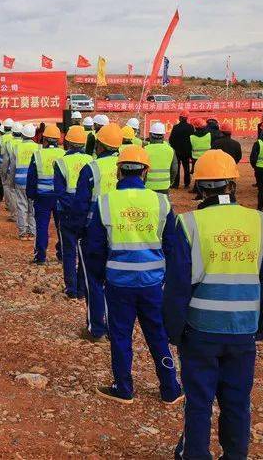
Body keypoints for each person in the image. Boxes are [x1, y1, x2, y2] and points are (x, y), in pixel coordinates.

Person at [163, 150, 263, 460]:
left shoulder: (188, 223)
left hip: (200, 329)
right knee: (238, 401)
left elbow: (176, 285)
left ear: (200, 186)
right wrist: (261, 326)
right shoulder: (259, 222)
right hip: (243, 329)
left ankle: (196, 454)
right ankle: (235, 454)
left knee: (199, 400)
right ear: (232, 185)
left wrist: (172, 331)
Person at [83, 145, 183, 404]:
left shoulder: (106, 202)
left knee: (120, 335)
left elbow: (94, 247)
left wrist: (98, 276)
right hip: (152, 282)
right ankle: (170, 387)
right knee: (157, 334)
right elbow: (172, 245)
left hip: (118, 282)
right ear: (145, 171)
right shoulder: (161, 202)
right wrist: (166, 278)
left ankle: (124, 387)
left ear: (119, 171)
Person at [74, 123, 123, 341]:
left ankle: (97, 327)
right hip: (121, 231)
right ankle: (115, 328)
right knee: (114, 280)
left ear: (100, 145)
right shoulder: (127, 165)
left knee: (93, 280)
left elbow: (81, 204)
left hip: (94, 231)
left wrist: (77, 230)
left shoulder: (92, 169)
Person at [53, 126, 93, 299]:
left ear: (67, 142)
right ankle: (83, 289)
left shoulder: (61, 162)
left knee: (69, 251)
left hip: (67, 213)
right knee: (85, 251)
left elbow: (60, 192)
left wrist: (72, 209)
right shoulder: (92, 160)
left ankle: (71, 288)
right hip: (86, 213)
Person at [27, 124, 64, 264]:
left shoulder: (38, 155)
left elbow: (32, 177)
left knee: (42, 226)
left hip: (42, 197)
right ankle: (62, 254)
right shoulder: (64, 154)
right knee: (61, 226)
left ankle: (40, 256)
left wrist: (30, 194)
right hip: (60, 197)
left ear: (45, 140)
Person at [6, 124, 39, 241]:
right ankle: (33, 231)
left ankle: (23, 232)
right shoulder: (38, 148)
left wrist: (11, 181)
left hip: (20, 180)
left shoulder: (16, 147)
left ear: (22, 134)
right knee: (32, 207)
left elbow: (13, 166)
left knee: (21, 206)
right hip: (34, 182)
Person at [0, 122, 24, 222]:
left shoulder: (8, 144)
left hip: (11, 172)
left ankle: (15, 215)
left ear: (12, 132)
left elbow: (5, 161)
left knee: (12, 192)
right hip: (25, 174)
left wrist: (3, 173)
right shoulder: (31, 145)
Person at [144, 122, 176, 194]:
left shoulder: (145, 149)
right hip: (164, 186)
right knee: (163, 204)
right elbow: (174, 169)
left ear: (150, 135)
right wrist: (170, 182)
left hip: (148, 186)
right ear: (163, 135)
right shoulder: (170, 150)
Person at [169, 111, 195, 189]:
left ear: (180, 118)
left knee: (177, 167)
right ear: (186, 118)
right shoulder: (190, 127)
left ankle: (176, 184)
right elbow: (192, 139)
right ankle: (187, 184)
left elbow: (171, 139)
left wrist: (175, 147)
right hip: (187, 151)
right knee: (186, 167)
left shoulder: (176, 127)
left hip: (177, 151)